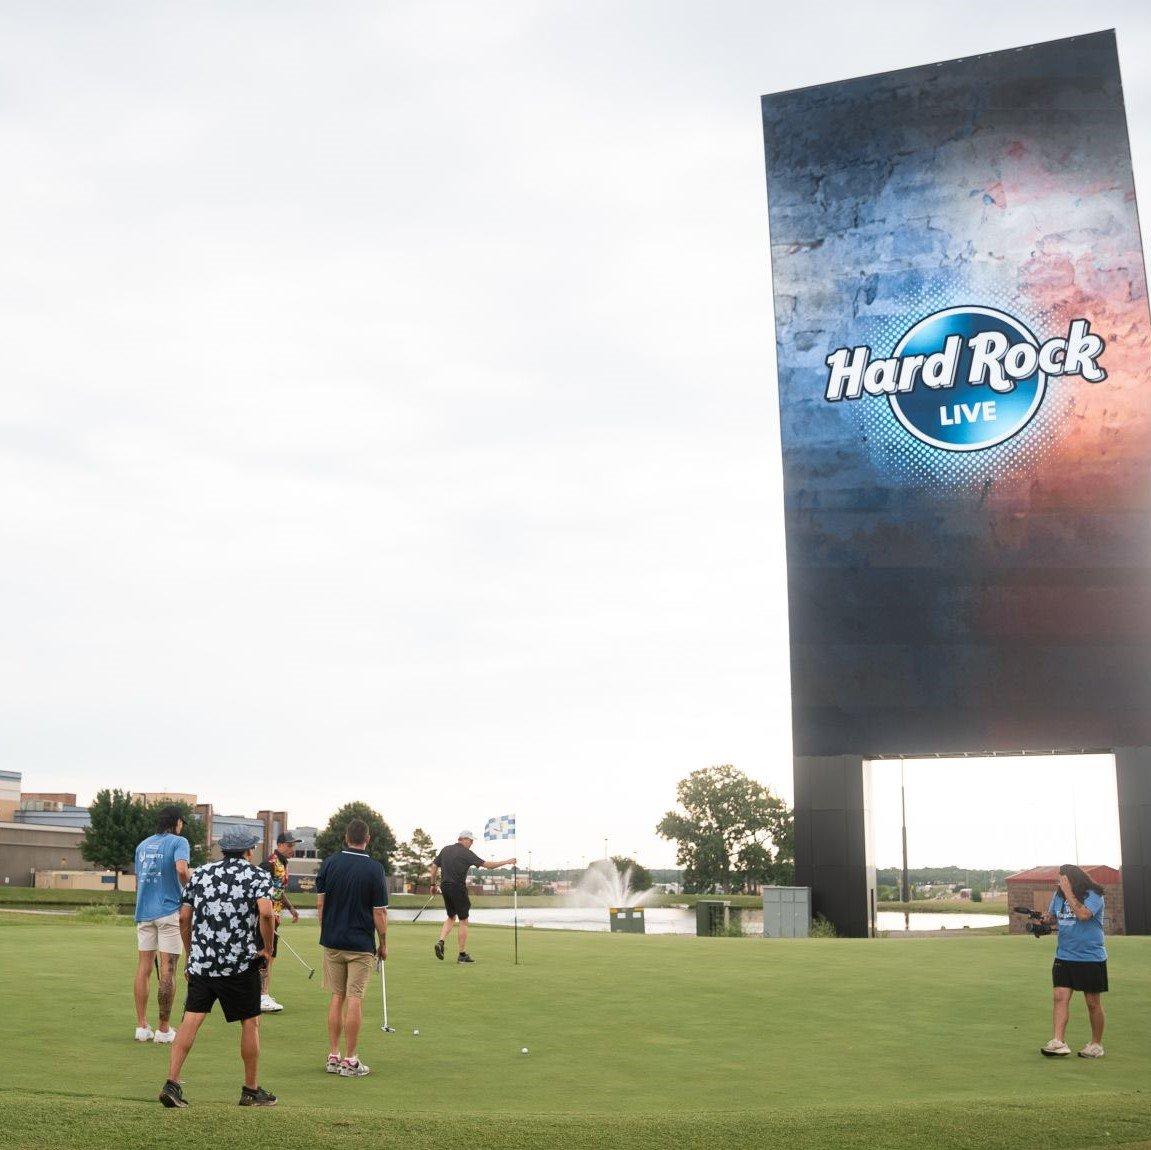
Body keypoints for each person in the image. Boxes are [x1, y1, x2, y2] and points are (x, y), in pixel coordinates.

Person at [158, 829, 278, 1109]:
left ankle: (172, 1083)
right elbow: (266, 912)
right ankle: (250, 1090)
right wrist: (267, 949)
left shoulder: (199, 875)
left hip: (203, 962)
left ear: (223, 850)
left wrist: (192, 954)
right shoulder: (257, 876)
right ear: (249, 851)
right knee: (250, 1021)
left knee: (191, 1019)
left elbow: (184, 917)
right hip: (239, 963)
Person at [315, 818, 389, 1078]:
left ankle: (333, 1056)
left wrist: (326, 931)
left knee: (337, 996)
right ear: (366, 839)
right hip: (360, 944)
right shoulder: (375, 869)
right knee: (354, 997)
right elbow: (379, 913)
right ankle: (350, 1060)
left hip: (333, 941)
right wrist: (383, 943)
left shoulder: (330, 862)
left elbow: (320, 905)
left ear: (346, 838)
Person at [132, 804, 191, 1044]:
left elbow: (140, 877)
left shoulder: (142, 845)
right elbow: (181, 869)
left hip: (144, 911)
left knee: (144, 968)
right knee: (167, 969)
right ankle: (164, 1029)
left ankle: (141, 1026)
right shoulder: (180, 842)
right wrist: (190, 885)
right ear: (177, 822)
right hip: (168, 911)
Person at [1038, 864, 1109, 1059]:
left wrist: (1068, 891)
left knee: (1092, 1003)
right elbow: (1054, 917)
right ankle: (1058, 1041)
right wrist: (1045, 920)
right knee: (1059, 997)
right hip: (1064, 955)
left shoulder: (1094, 894)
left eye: (1062, 879)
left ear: (1071, 879)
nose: (1058, 882)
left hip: (1090, 957)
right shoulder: (1059, 895)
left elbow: (1083, 915)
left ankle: (1096, 1044)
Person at [429, 831, 515, 963]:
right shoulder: (466, 853)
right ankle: (462, 954)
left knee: (451, 916)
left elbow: (434, 866)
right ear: (462, 840)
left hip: (445, 886)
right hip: (458, 887)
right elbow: (488, 866)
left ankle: (441, 941)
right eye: (470, 840)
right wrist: (507, 861)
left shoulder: (445, 849)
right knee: (463, 920)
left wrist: (433, 885)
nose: (472, 843)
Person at [259, 831, 302, 1013]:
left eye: (294, 845)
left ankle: (264, 993)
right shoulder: (269, 864)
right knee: (265, 954)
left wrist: (291, 908)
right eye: (290, 845)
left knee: (271, 955)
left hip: (275, 916)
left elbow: (278, 890)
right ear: (280, 845)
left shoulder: (283, 864)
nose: (293, 849)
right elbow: (260, 891)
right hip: (265, 916)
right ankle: (261, 996)